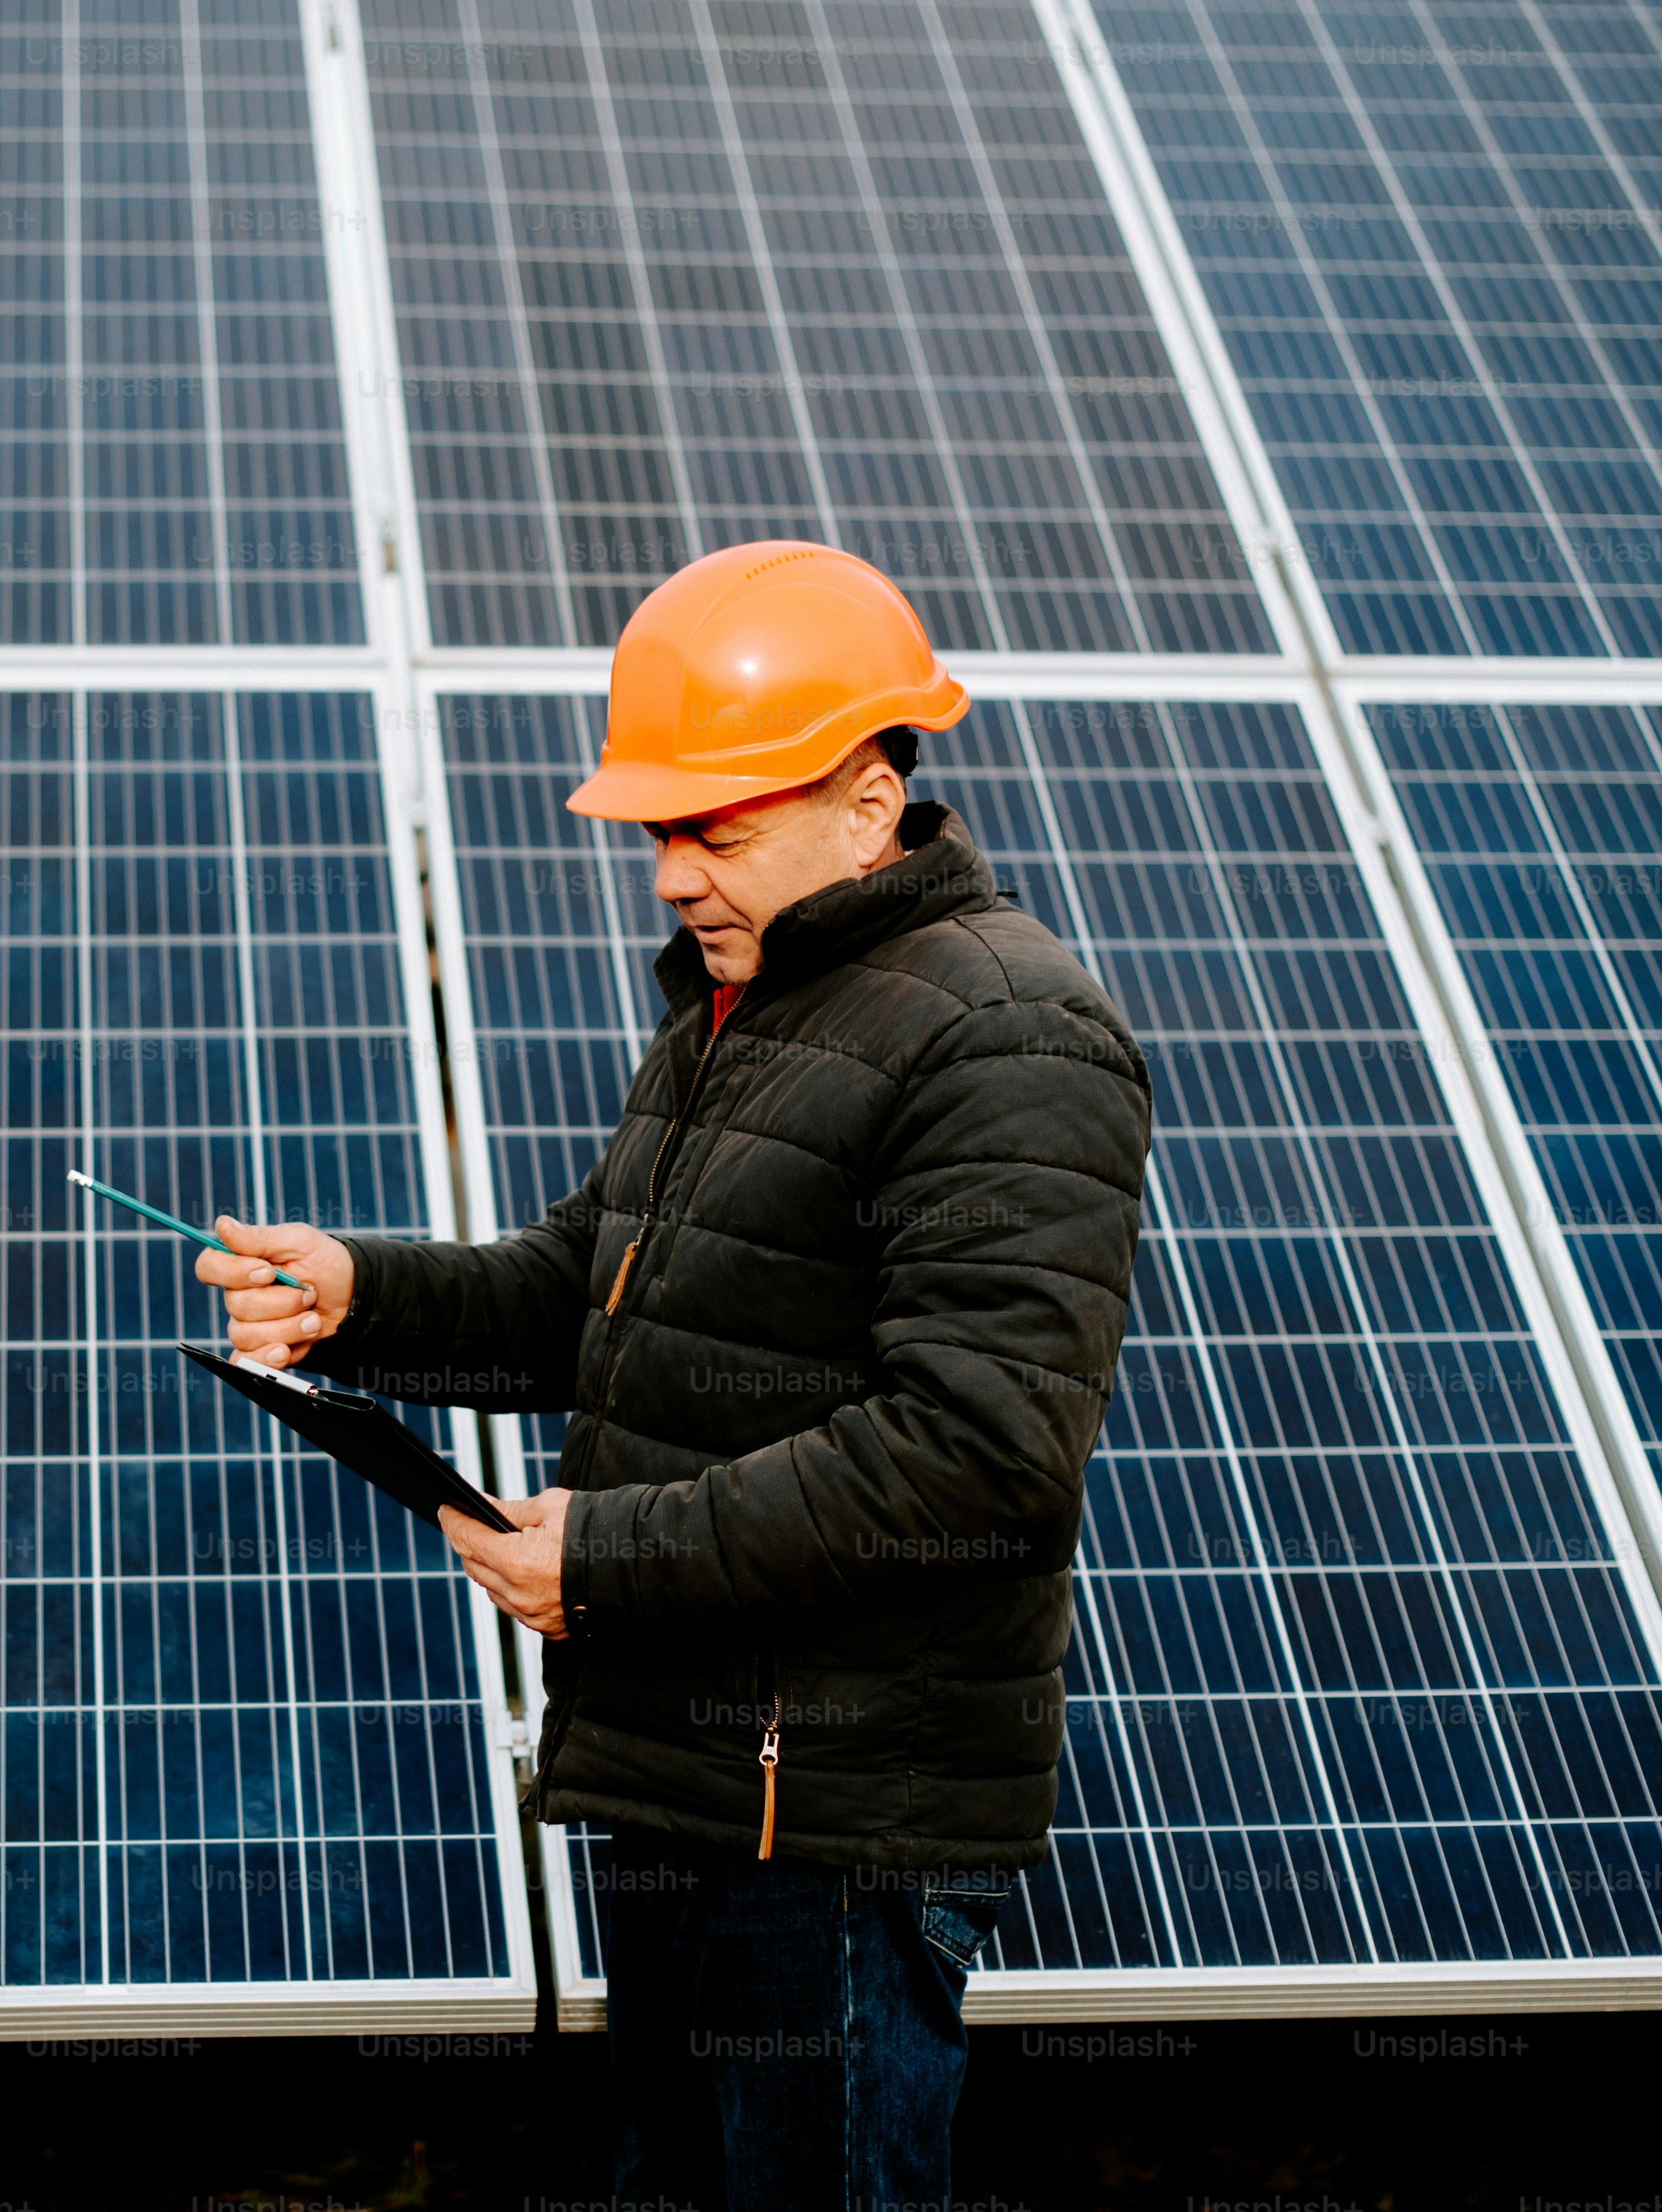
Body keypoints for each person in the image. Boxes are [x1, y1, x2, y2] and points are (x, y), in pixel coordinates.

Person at [195, 541, 1149, 2212]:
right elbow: (596, 1293)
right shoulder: (746, 1009)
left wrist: (611, 1557)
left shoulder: (1003, 1031)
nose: (670, 877)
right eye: (657, 832)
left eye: (718, 829)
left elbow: (982, 1450)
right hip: (690, 1775)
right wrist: (357, 1297)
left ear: (869, 802)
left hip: (827, 1819)